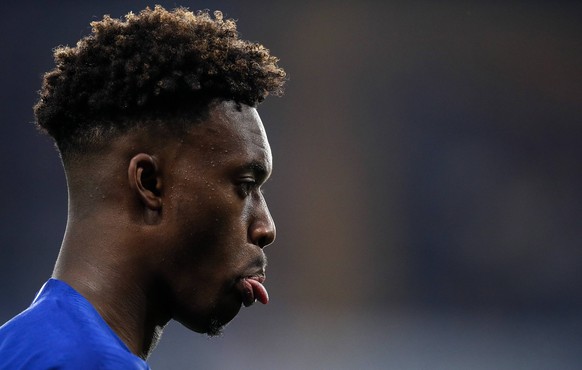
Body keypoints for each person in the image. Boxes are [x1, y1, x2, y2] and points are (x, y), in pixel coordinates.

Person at [0, 5, 285, 369]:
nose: (266, 228)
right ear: (149, 184)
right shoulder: (90, 363)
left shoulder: (16, 346)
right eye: (245, 186)